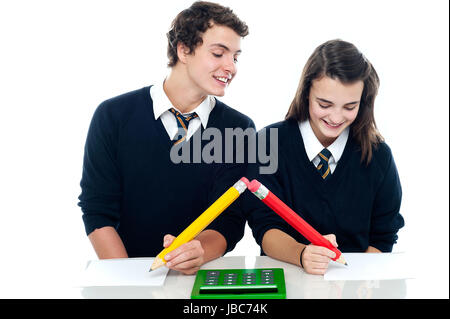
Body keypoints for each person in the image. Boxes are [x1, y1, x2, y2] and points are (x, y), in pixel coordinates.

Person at [78, 1, 254, 275]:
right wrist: (130, 282)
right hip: (125, 274)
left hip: (199, 277)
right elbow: (97, 208)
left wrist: (200, 251)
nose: (230, 67)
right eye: (219, 53)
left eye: (235, 57)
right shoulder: (113, 116)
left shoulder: (239, 129)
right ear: (184, 49)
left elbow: (229, 219)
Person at [244, 39, 405, 275]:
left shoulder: (378, 155)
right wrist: (301, 254)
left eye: (350, 107)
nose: (336, 117)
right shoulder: (268, 143)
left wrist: (358, 281)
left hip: (354, 283)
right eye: (325, 104)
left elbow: (383, 235)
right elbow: (265, 227)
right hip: (286, 275)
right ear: (307, 92)